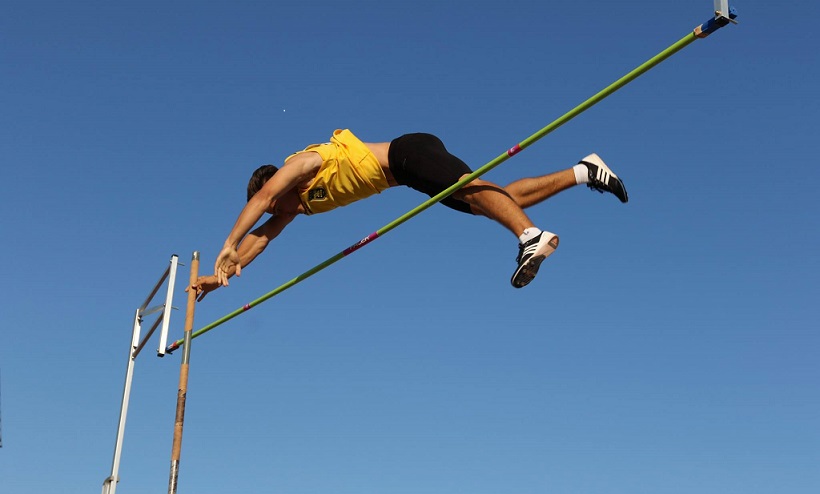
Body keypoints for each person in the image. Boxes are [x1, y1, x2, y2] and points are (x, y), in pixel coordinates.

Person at [191, 129, 627, 299]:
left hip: (408, 153)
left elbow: (265, 200)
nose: (281, 214)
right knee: (493, 200)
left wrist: (227, 243)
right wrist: (221, 274)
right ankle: (584, 171)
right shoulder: (297, 207)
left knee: (474, 193)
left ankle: (530, 237)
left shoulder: (303, 165)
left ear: (277, 188)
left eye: (276, 206)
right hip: (408, 176)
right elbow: (263, 236)